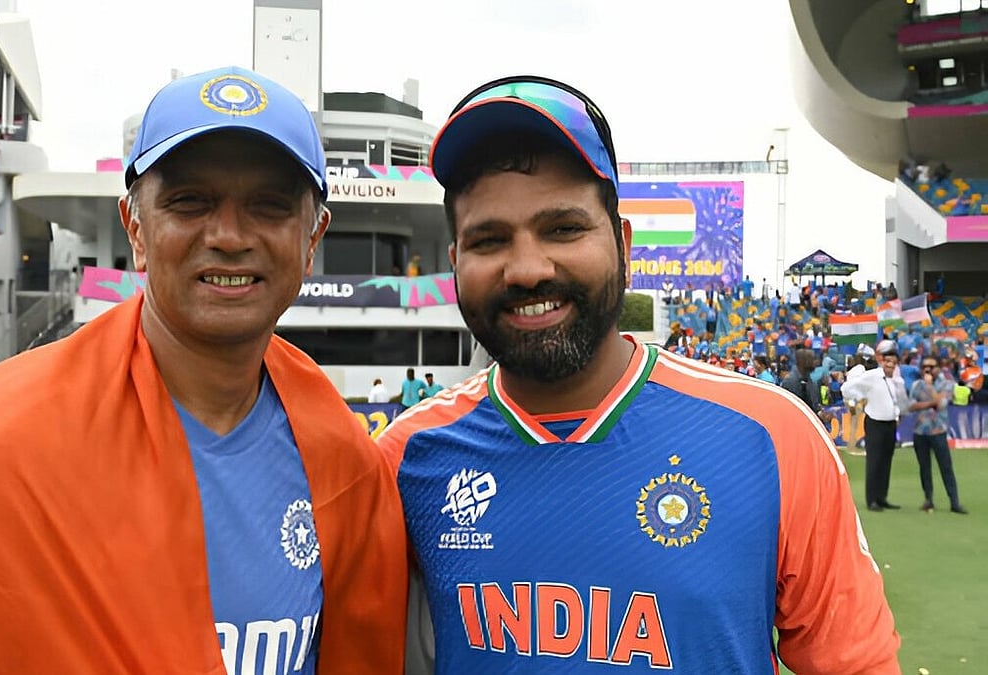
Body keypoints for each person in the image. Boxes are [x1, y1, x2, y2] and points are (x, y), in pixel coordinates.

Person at [0, 66, 407, 674]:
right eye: (190, 202)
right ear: (136, 228)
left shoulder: (345, 460)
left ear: (312, 239)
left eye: (270, 206)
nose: (229, 235)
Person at [377, 75, 898, 673]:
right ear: (456, 263)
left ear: (622, 245)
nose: (526, 268)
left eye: (563, 229)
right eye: (489, 240)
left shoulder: (771, 437)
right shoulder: (404, 459)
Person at [842, 340, 909, 512]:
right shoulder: (872, 376)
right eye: (887, 361)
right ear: (882, 361)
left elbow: (901, 401)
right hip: (875, 423)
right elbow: (848, 387)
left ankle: (882, 497)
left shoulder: (897, 380)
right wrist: (859, 399)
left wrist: (899, 413)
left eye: (893, 363)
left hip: (890, 423)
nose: (890, 365)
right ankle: (872, 499)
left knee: (886, 461)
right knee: (874, 461)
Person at [907, 356, 967, 514]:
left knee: (946, 467)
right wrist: (930, 403)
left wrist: (930, 388)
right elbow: (911, 406)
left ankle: (954, 502)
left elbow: (941, 404)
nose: (927, 369)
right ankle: (928, 499)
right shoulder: (916, 385)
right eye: (925, 366)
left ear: (938, 368)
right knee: (924, 468)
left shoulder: (946, 384)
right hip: (920, 432)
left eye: (931, 366)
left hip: (938, 432)